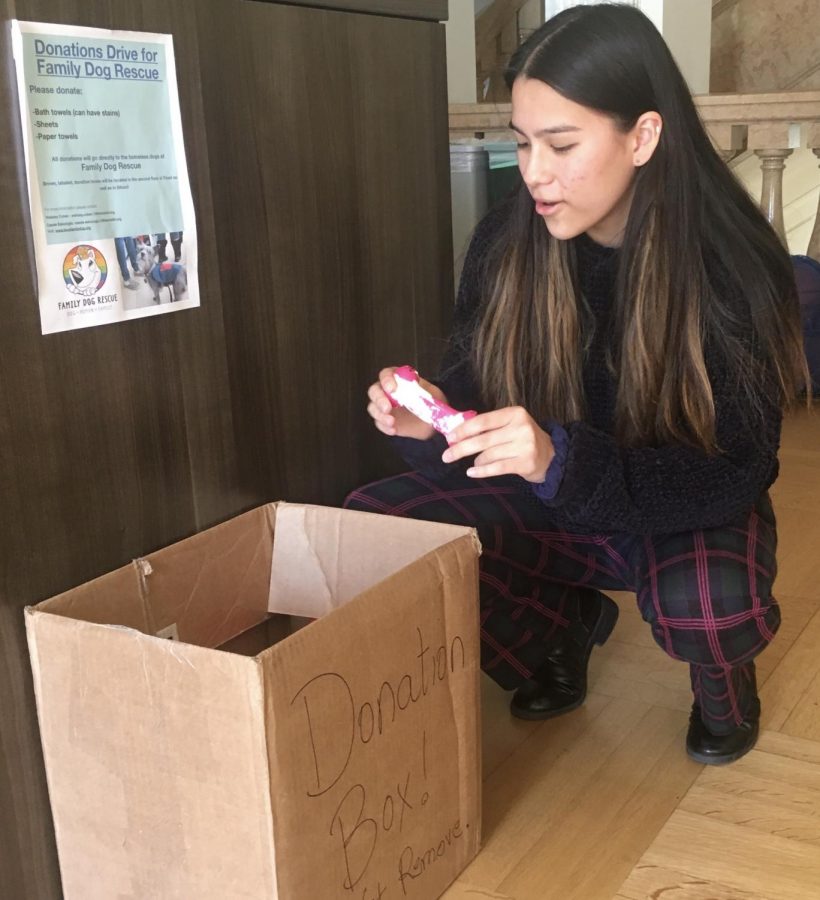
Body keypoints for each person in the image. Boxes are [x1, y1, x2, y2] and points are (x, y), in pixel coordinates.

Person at [344, 3, 809, 766]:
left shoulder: (733, 262)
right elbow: (473, 389)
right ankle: (559, 627)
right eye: (523, 144)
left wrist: (561, 460)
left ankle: (724, 685)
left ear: (644, 135)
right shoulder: (507, 240)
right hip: (555, 494)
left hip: (678, 503)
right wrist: (434, 424)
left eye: (561, 144)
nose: (533, 172)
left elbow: (738, 470)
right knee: (385, 529)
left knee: (710, 607)